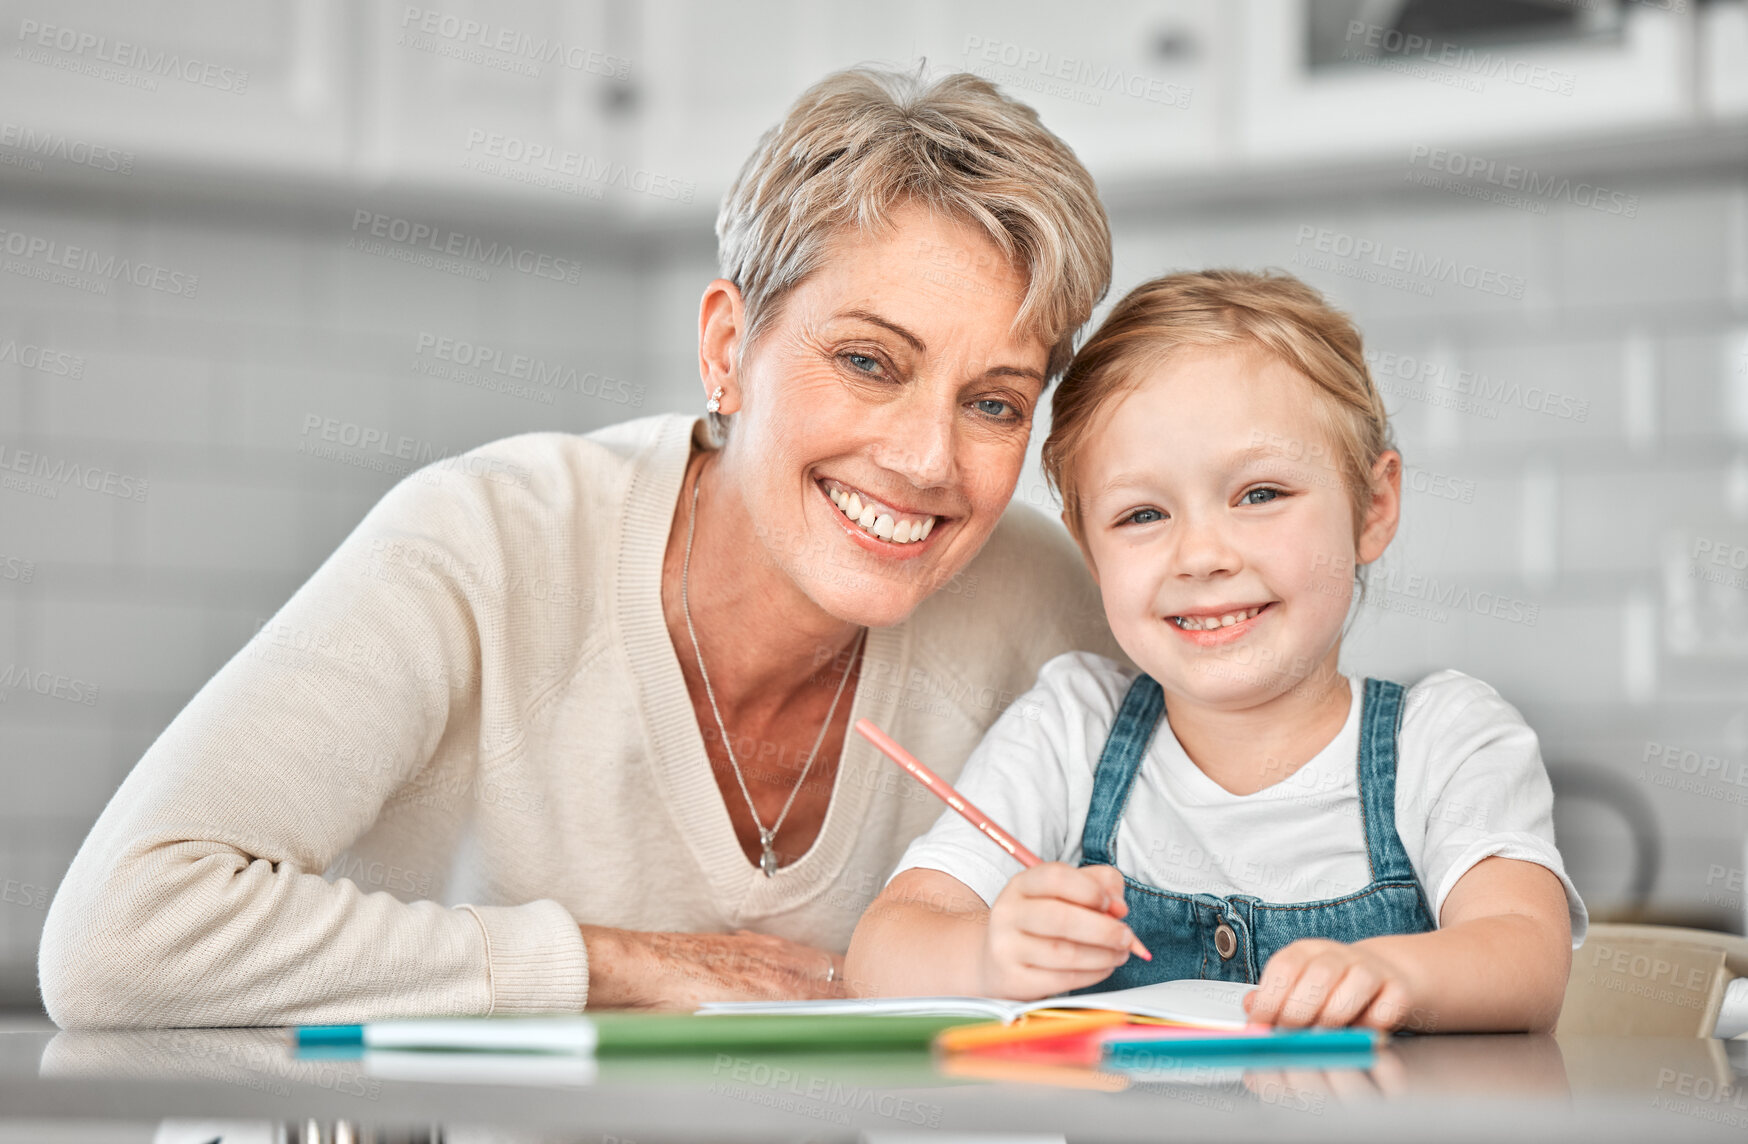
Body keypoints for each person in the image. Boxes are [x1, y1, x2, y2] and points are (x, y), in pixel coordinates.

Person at [37, 65, 1126, 1027]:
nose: (928, 458)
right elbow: (120, 932)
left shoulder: (1034, 605)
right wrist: (613, 963)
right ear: (727, 350)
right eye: (869, 363)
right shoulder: (484, 540)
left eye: (991, 403)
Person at [845, 270, 1588, 1032]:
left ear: (1373, 506)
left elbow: (1527, 956)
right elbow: (879, 953)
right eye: (1141, 514)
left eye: (1259, 495)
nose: (1200, 556)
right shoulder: (1072, 729)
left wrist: (1392, 971)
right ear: (1089, 550)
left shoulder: (1447, 740)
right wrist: (988, 955)